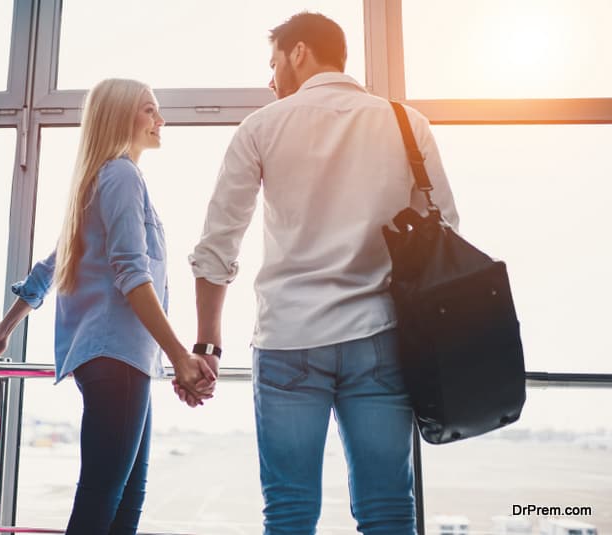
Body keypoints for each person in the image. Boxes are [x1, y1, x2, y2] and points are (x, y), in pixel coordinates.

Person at [182, 12, 459, 535]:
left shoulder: (262, 127)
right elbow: (445, 226)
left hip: (289, 339)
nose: (270, 79)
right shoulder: (405, 123)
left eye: (273, 63)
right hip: (379, 337)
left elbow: (217, 247)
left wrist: (207, 347)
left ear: (300, 52)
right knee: (389, 510)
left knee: (288, 511)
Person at [0, 78, 216, 535]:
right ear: (121, 116)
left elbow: (51, 266)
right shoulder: (121, 175)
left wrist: (6, 330)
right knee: (106, 497)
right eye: (149, 110)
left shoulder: (102, 179)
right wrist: (181, 356)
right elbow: (132, 275)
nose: (161, 120)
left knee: (121, 498)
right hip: (117, 356)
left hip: (119, 358)